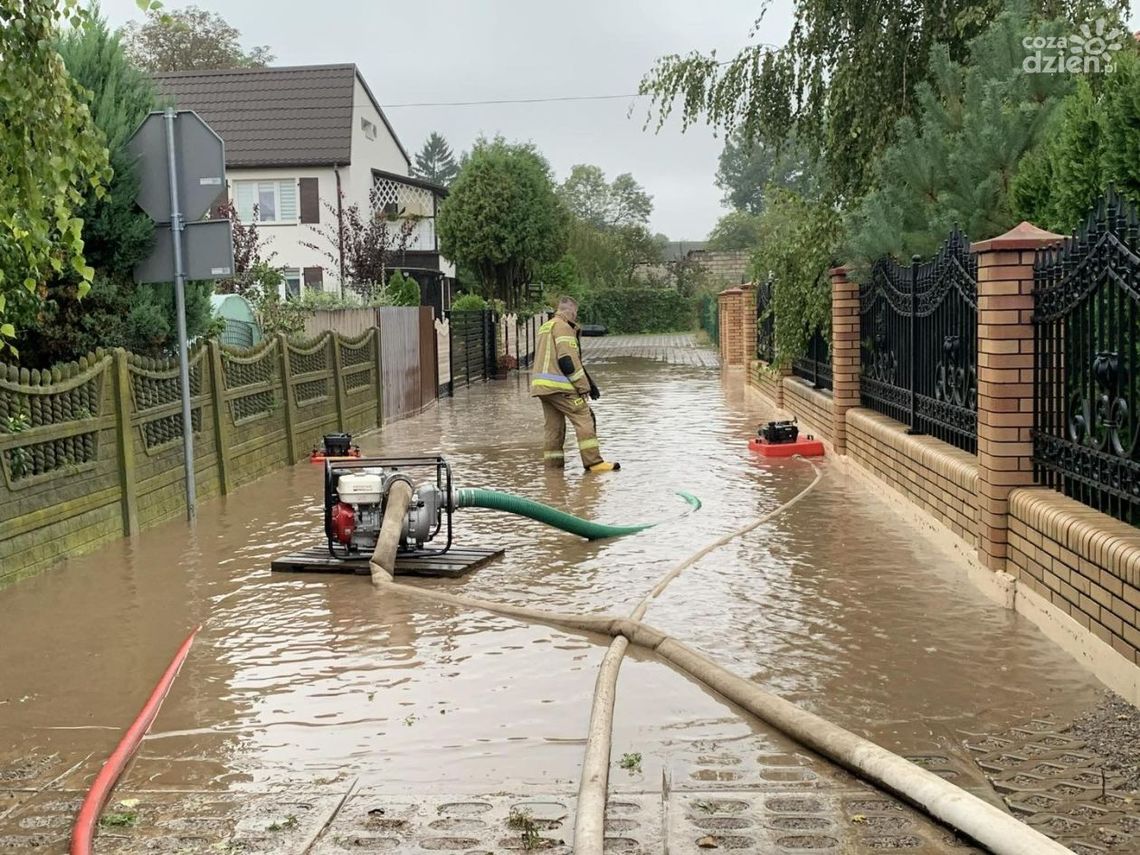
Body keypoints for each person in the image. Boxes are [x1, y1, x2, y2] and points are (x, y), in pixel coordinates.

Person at [530, 296, 619, 472]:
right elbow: (567, 361)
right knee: (584, 417)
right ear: (571, 311)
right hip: (560, 386)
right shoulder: (563, 327)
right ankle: (594, 463)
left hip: (542, 388)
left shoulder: (546, 326)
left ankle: (553, 469)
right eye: (576, 313)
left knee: (553, 427)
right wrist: (583, 387)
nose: (576, 317)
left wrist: (590, 383)